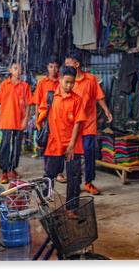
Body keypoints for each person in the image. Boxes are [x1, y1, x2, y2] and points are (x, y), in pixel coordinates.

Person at [37, 66, 87, 214]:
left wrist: (71, 144)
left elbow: (78, 122)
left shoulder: (77, 99)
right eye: (66, 82)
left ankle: (71, 208)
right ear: (60, 79)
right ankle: (45, 200)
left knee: (74, 177)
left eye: (72, 83)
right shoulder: (51, 97)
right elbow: (41, 117)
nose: (69, 86)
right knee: (49, 174)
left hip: (73, 144)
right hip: (54, 142)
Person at [64, 52, 113, 195]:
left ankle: (88, 182)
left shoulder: (91, 79)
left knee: (89, 153)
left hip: (88, 124)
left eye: (69, 64)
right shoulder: (68, 82)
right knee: (74, 156)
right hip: (73, 126)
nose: (66, 67)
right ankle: (75, 182)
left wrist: (107, 111)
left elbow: (99, 97)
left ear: (77, 64)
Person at [0, 62, 31, 184]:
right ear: (10, 70)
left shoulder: (25, 86)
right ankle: (4, 171)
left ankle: (12, 168)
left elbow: (27, 106)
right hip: (6, 120)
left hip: (19, 121)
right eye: (15, 68)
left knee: (17, 146)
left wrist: (25, 119)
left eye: (20, 68)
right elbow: (0, 105)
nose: (18, 70)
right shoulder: (4, 85)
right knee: (5, 145)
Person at [30, 55, 61, 162]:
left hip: (58, 116)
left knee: (58, 143)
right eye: (51, 66)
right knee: (45, 142)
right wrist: (36, 119)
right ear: (47, 67)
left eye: (56, 67)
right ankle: (48, 169)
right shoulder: (42, 83)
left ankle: (59, 172)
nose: (53, 69)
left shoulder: (62, 82)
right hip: (44, 117)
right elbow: (37, 102)